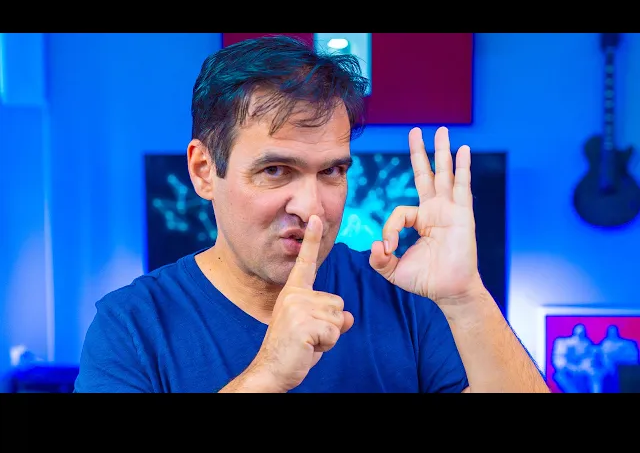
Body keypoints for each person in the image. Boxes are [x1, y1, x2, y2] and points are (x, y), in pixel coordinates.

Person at [74, 35, 550, 393]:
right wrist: (266, 376)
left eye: (331, 171)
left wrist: (466, 298)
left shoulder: (405, 298)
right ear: (203, 171)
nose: (311, 207)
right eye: (275, 170)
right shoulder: (132, 326)